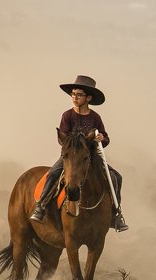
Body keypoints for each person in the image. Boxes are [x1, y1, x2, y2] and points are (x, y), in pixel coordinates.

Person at [30, 75, 127, 231]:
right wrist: (72, 143)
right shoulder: (67, 115)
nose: (74, 97)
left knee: (116, 177)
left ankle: (116, 215)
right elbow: (62, 138)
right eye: (73, 94)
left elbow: (105, 138)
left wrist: (102, 138)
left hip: (91, 157)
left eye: (79, 95)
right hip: (71, 156)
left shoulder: (95, 117)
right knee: (53, 174)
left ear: (88, 97)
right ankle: (40, 207)